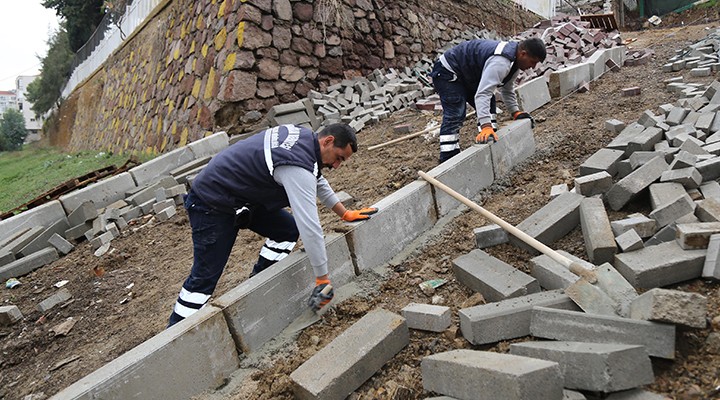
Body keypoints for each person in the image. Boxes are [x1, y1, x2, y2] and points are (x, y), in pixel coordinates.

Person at [168, 123, 377, 327]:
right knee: (204, 279)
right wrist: (322, 279)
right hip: (211, 202)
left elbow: (317, 179)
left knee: (287, 230)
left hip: (242, 195)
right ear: (328, 141)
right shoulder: (296, 166)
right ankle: (174, 334)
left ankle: (259, 280)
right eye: (339, 158)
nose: (337, 166)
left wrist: (344, 213)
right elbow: (310, 226)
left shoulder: (304, 139)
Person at [429, 37, 547, 163]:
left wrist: (515, 112)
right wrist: (485, 125)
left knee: (490, 107)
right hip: (448, 71)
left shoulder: (515, 63)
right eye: (533, 62)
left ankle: (489, 144)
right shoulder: (501, 62)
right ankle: (449, 158)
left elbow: (507, 89)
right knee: (456, 113)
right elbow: (482, 94)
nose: (533, 67)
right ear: (523, 54)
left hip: (469, 74)